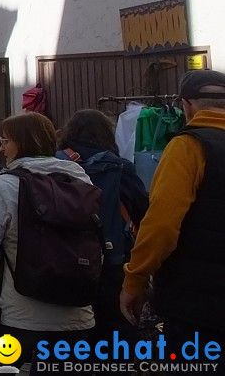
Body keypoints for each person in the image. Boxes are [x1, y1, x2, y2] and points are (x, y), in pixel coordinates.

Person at [0, 111, 94, 373]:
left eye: (5, 141)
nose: (1, 148)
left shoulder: (5, 185)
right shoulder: (81, 181)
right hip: (75, 314)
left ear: (24, 142)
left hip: (16, 314)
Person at [120, 70, 225, 355]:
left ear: (186, 105)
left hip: (199, 305)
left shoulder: (188, 147)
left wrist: (135, 279)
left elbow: (161, 226)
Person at [56, 108, 148, 341]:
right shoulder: (119, 167)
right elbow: (144, 213)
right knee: (115, 332)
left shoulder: (53, 164)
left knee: (67, 336)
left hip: (61, 262)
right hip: (111, 263)